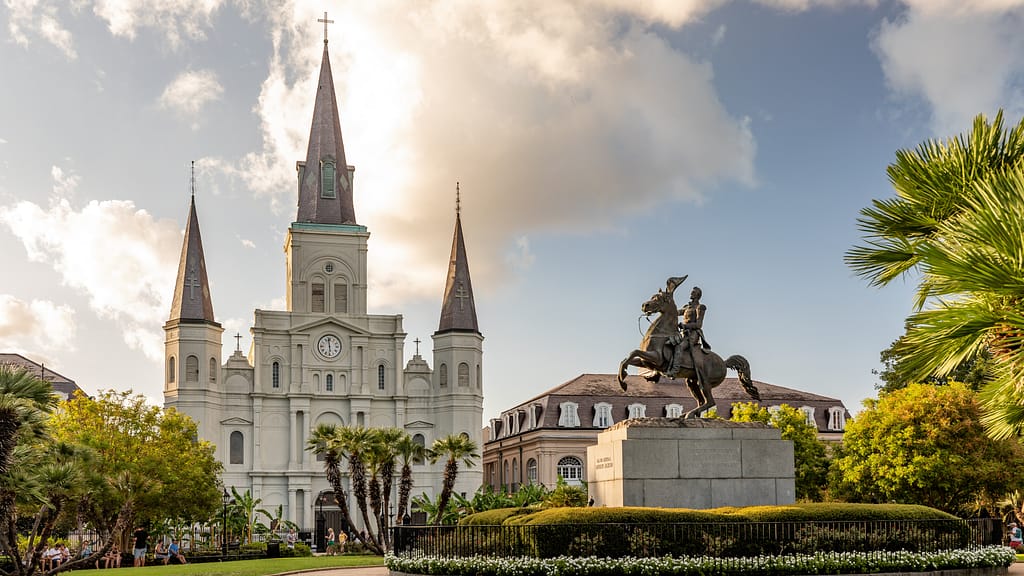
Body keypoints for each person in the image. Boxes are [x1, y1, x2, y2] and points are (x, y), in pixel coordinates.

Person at [672, 285, 710, 385]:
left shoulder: (700, 307)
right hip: (683, 334)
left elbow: (698, 324)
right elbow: (674, 313)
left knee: (679, 347)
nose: (691, 294)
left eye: (693, 292)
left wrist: (685, 326)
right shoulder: (687, 307)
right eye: (691, 292)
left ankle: (674, 370)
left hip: (693, 334)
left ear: (698, 295)